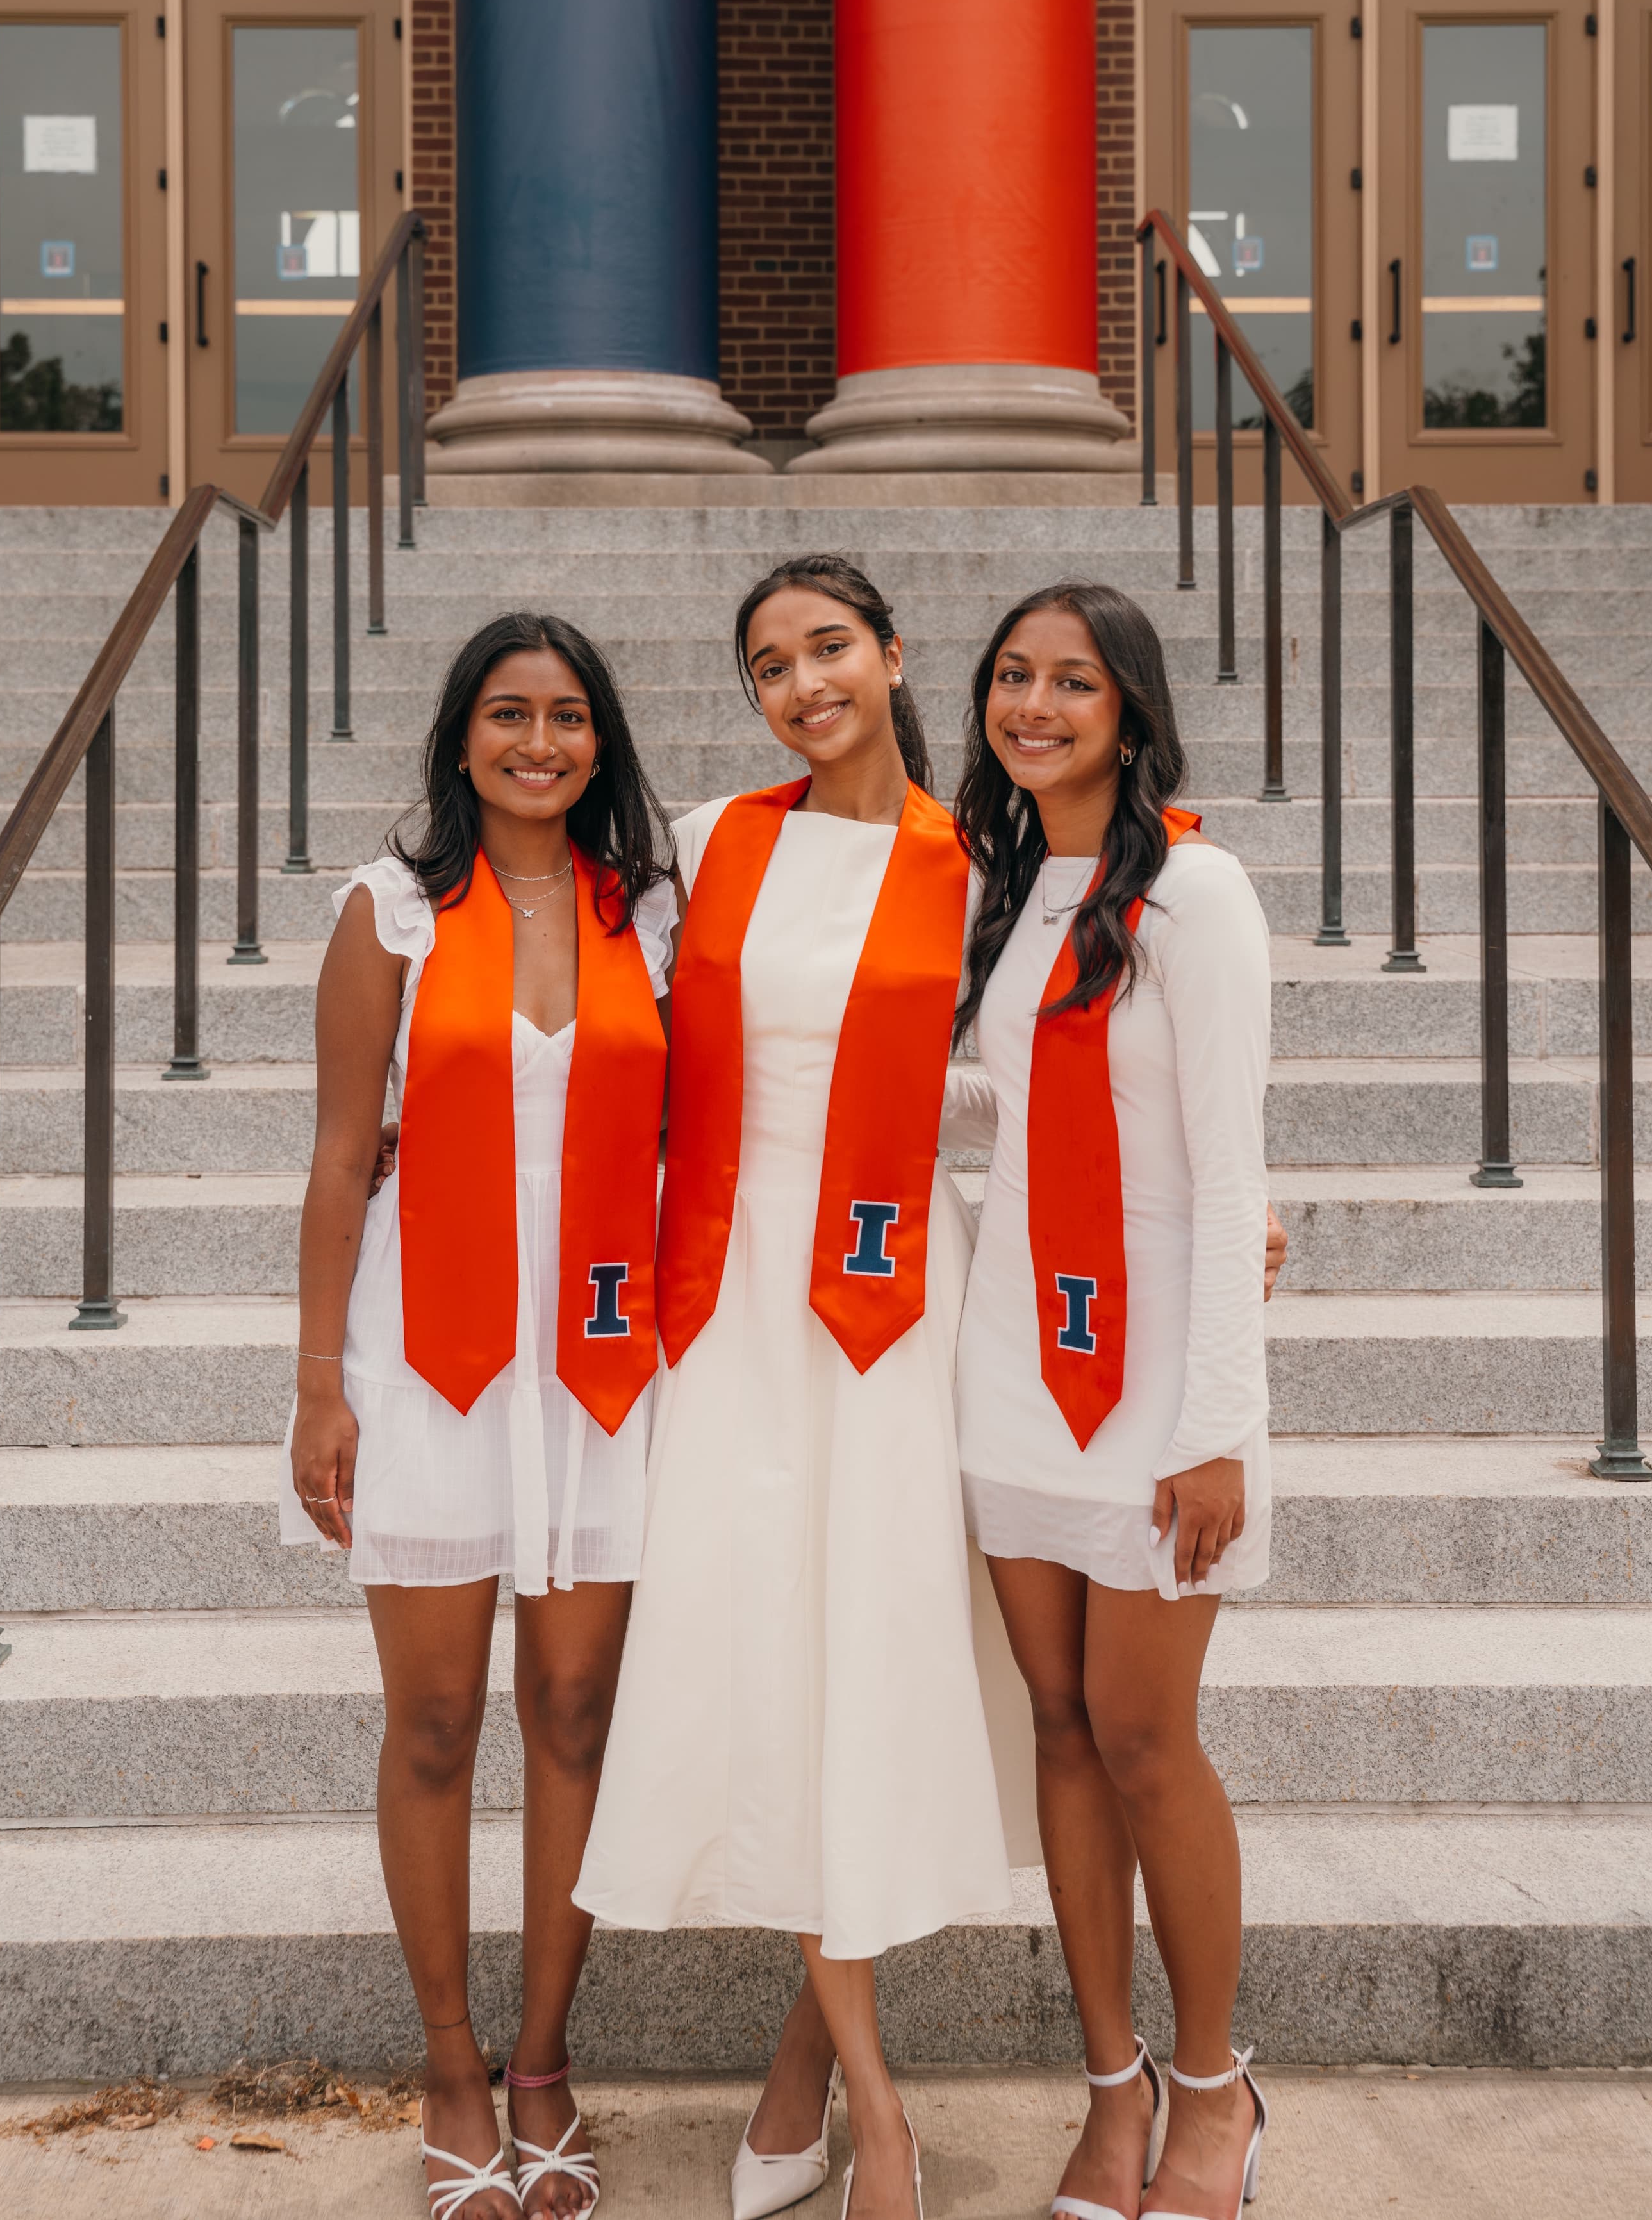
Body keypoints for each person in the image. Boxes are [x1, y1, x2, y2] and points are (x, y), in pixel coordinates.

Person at [574, 555, 1010, 2220]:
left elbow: (1026, 1063)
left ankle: (812, 2065)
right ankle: (872, 2109)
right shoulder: (708, 839)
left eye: (830, 646)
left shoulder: (977, 860)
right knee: (771, 1648)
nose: (804, 680)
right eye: (770, 662)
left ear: (897, 655)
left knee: (869, 1649)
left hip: (895, 1282)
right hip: (735, 1286)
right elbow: (612, 1023)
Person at [283, 614, 676, 2220]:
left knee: (577, 1718)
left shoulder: (651, 913)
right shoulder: (387, 915)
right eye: (508, 714)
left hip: (598, 1368)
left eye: (569, 716)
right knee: (436, 1726)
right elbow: (333, 1155)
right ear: (460, 738)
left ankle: (541, 2062)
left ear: (601, 741)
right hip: (429, 1362)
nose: (539, 742)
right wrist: (318, 1383)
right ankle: (449, 2069)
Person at [949, 580, 1273, 2220]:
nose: (1036, 705)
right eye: (1013, 677)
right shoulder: (999, 887)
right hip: (1015, 1362)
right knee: (1060, 1733)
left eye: (1073, 682)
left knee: (1148, 1735)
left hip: (1159, 1377)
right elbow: (996, 1112)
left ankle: (1214, 2088)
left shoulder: (1199, 894)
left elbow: (1227, 1171)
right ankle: (1110, 2083)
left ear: (1130, 711)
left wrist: (1217, 1423)